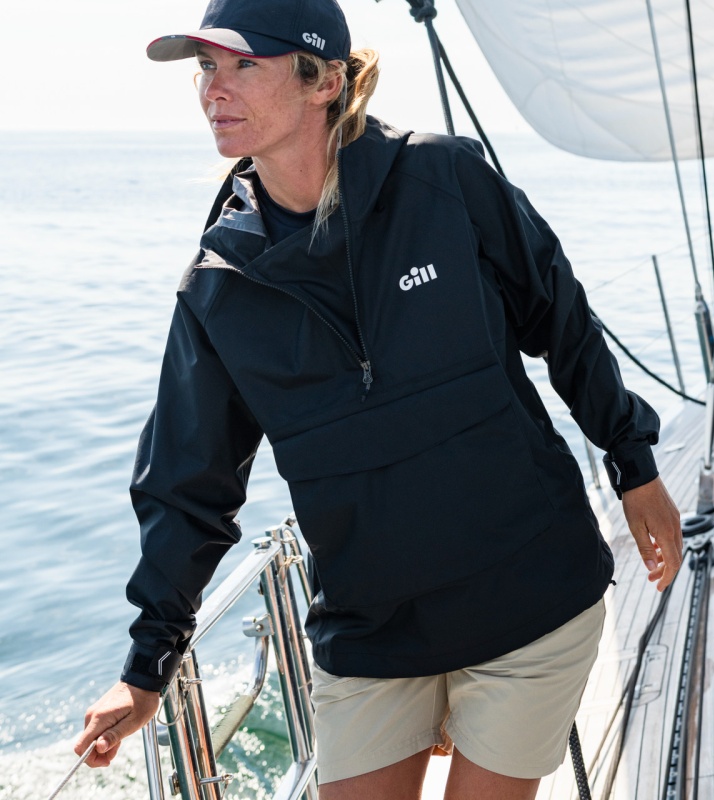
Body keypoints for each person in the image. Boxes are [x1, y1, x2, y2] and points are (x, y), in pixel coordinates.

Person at [75, 0, 683, 797]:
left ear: (324, 80)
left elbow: (559, 318)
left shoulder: (445, 179)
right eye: (206, 67)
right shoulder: (219, 287)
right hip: (371, 630)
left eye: (243, 64)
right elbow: (189, 485)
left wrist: (634, 465)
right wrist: (146, 666)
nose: (214, 89)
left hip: (528, 596)